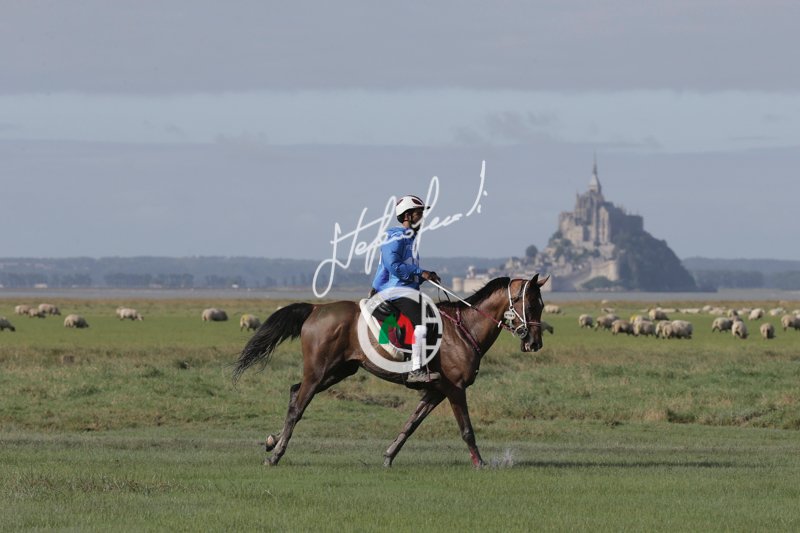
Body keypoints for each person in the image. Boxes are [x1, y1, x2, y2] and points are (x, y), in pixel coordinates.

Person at [370, 194, 441, 383]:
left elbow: (407, 272)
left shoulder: (410, 239)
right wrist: (420, 272)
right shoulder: (396, 237)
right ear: (408, 216)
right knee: (422, 322)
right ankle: (415, 370)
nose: (422, 218)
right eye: (419, 213)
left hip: (405, 290)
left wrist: (425, 276)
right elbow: (393, 265)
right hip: (393, 291)